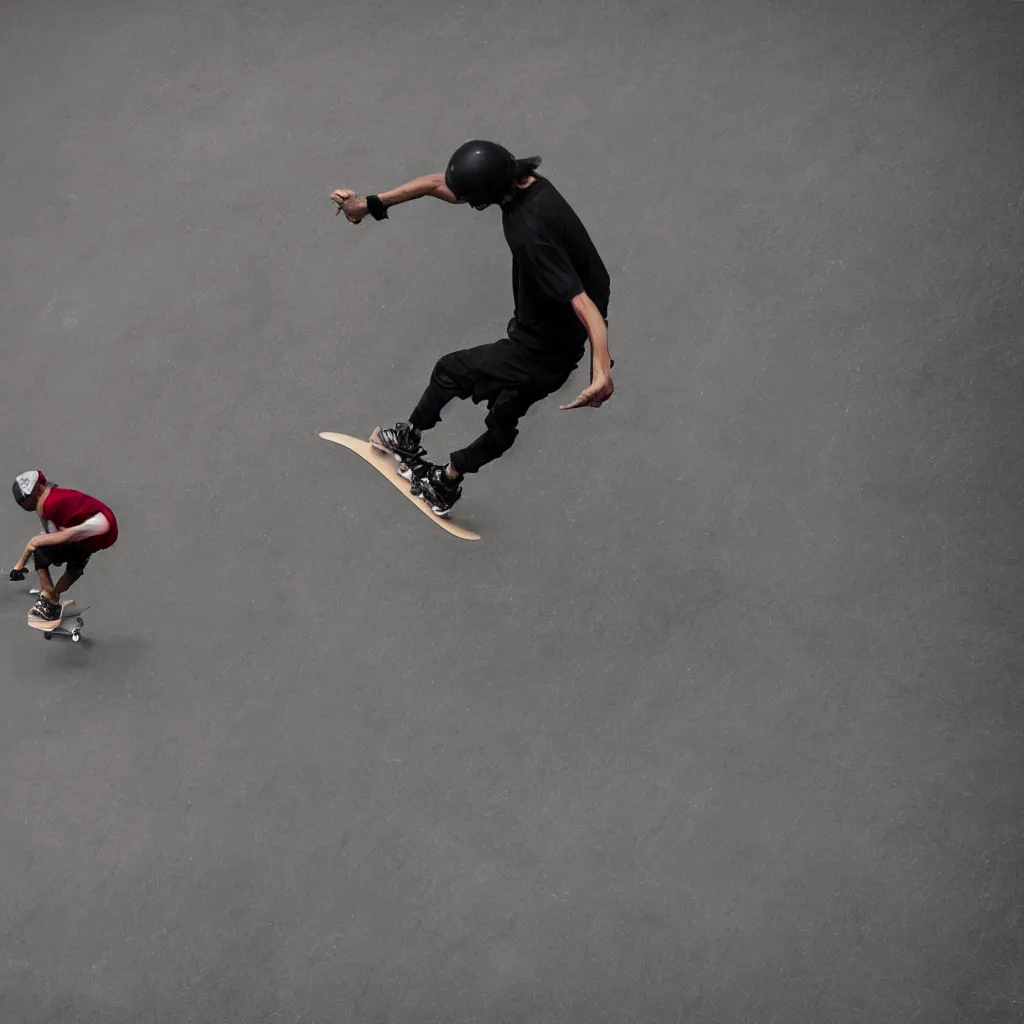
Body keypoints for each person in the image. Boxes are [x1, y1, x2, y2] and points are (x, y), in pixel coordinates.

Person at [329, 139, 614, 517]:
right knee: (504, 416)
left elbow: (584, 305)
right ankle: (445, 483)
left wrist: (603, 370)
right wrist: (368, 204)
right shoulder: (522, 180)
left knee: (451, 370)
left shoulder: (530, 232)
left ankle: (407, 439)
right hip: (556, 346)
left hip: (538, 349)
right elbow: (435, 184)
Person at [10, 471, 118, 621]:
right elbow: (55, 532)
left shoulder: (49, 503)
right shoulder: (50, 498)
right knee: (75, 560)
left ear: (36, 490)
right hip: (98, 536)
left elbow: (52, 539)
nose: (22, 504)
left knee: (40, 550)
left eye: (23, 500)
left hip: (100, 525)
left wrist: (20, 564)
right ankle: (53, 595)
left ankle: (50, 602)